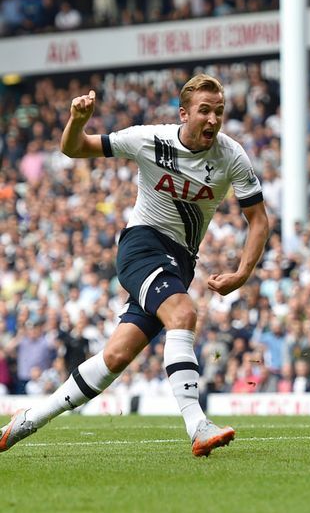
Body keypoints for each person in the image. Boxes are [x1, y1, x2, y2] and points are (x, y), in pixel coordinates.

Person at [0, 74, 270, 457]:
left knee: (116, 357)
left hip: (180, 262)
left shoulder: (231, 156)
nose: (213, 120)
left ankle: (28, 419)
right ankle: (197, 425)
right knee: (183, 312)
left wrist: (243, 273)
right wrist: (78, 119)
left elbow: (258, 219)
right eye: (204, 111)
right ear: (184, 113)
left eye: (219, 112)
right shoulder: (150, 139)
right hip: (141, 244)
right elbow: (75, 149)